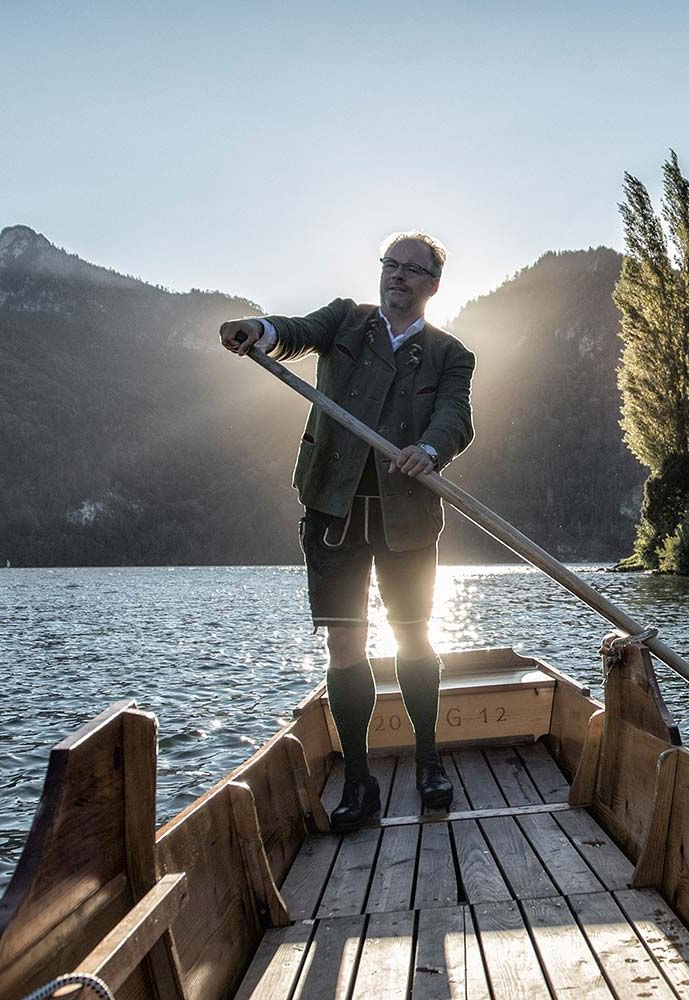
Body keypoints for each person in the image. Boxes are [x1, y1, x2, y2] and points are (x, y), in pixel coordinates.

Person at [219, 233, 475, 830]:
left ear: (433, 285)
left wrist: (431, 448)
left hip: (405, 517)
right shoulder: (346, 322)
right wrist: (256, 331)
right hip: (334, 514)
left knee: (414, 639)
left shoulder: (449, 353)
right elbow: (293, 333)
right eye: (392, 265)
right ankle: (358, 782)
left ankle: (429, 761)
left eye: (414, 270)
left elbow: (455, 416)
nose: (399, 277)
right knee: (345, 645)